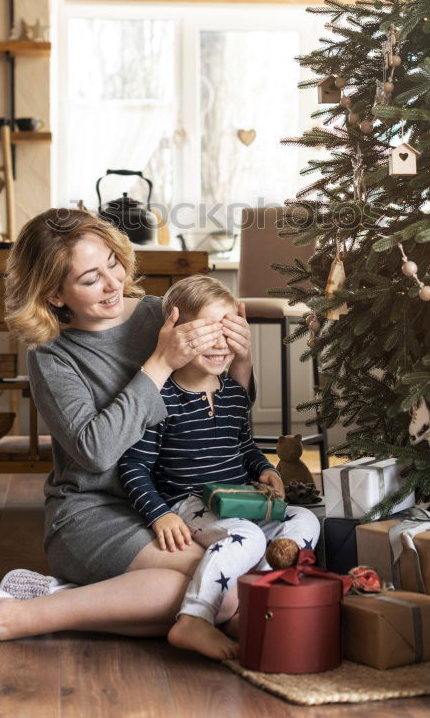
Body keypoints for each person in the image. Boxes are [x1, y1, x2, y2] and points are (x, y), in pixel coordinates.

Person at [0, 208, 256, 647]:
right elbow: (96, 453)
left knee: (238, 590)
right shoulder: (52, 355)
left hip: (174, 508)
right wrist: (160, 363)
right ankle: (12, 617)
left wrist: (241, 362)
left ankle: (67, 596)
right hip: (95, 513)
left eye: (112, 263)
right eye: (89, 279)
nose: (112, 284)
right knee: (224, 595)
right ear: (54, 295)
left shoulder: (162, 315)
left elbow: (219, 422)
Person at [119, 275, 320, 660]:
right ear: (175, 334)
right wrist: (159, 515)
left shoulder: (231, 393)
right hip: (190, 504)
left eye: (228, 331)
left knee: (306, 520)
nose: (219, 344)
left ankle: (264, 594)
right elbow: (133, 466)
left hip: (242, 501)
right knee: (247, 535)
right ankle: (194, 617)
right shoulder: (159, 397)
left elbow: (244, 445)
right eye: (205, 332)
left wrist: (266, 469)